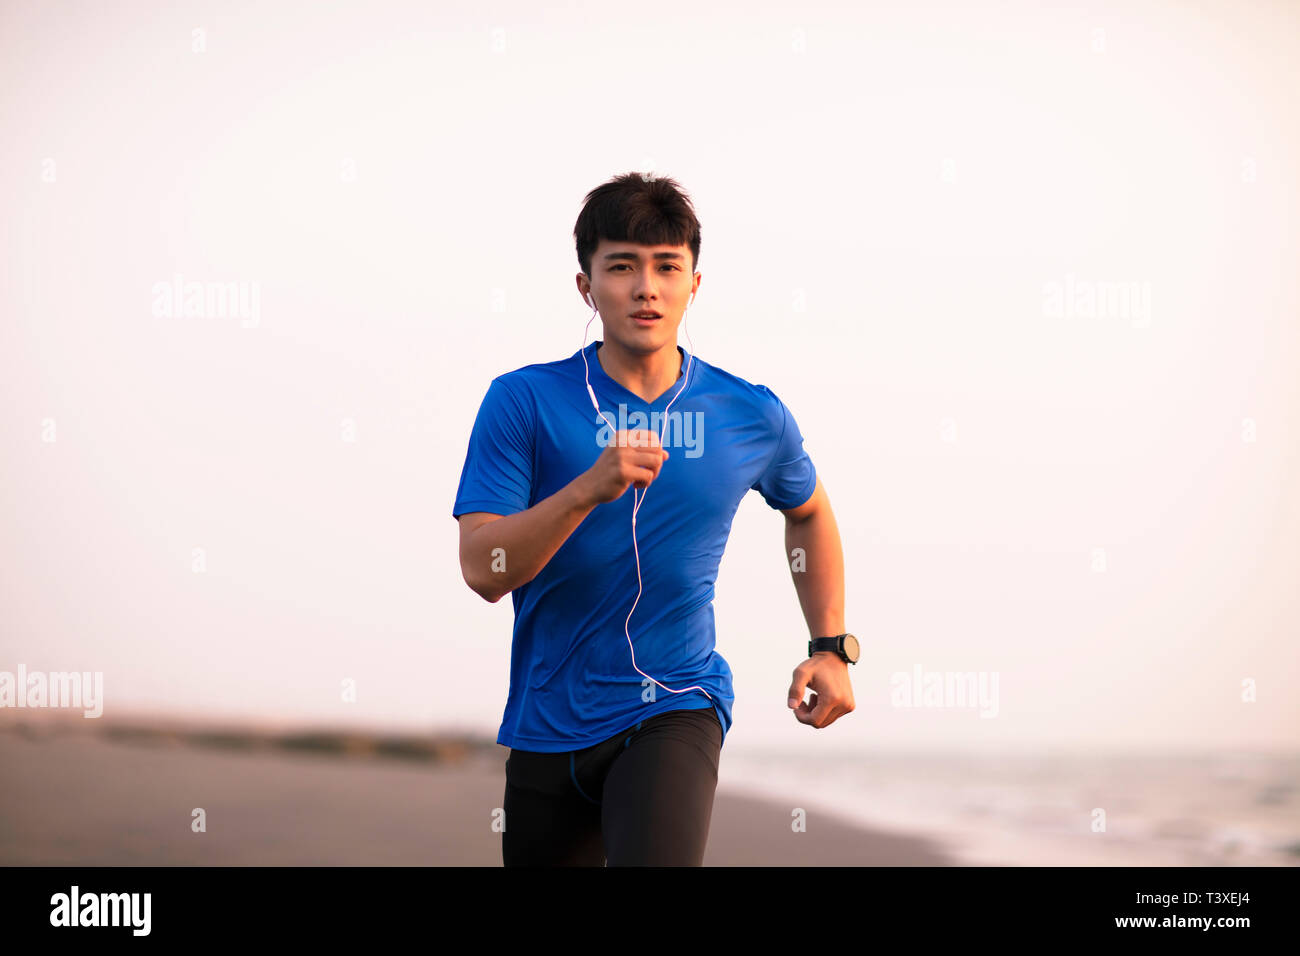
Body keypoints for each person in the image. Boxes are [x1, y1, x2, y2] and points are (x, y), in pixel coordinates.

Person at [453, 172, 855, 866]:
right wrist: (585, 488)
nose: (647, 287)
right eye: (623, 267)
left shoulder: (748, 414)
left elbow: (809, 510)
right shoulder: (524, 402)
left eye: (668, 267)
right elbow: (483, 569)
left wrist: (831, 646)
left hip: (676, 703)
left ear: (694, 284)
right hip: (548, 723)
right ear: (587, 285)